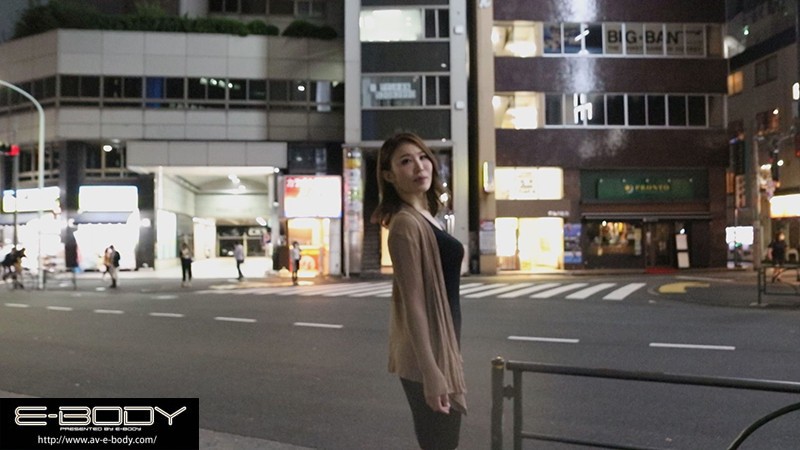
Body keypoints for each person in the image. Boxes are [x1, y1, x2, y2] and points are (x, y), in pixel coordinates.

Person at [372, 132, 466, 450]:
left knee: (444, 441)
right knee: (440, 442)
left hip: (443, 344)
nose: (419, 166)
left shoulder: (429, 218)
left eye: (423, 157)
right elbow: (413, 302)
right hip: (428, 356)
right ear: (389, 175)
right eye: (405, 161)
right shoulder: (405, 225)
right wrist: (431, 371)